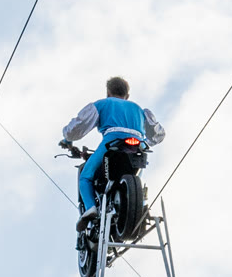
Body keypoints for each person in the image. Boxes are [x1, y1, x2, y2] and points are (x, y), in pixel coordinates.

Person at [60, 76, 165, 217]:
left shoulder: (102, 104)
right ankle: (140, 205)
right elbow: (158, 134)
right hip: (138, 143)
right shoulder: (140, 110)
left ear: (108, 93)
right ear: (127, 95)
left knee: (85, 177)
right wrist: (146, 141)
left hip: (112, 141)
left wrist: (67, 139)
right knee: (138, 175)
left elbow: (77, 127)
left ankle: (91, 208)